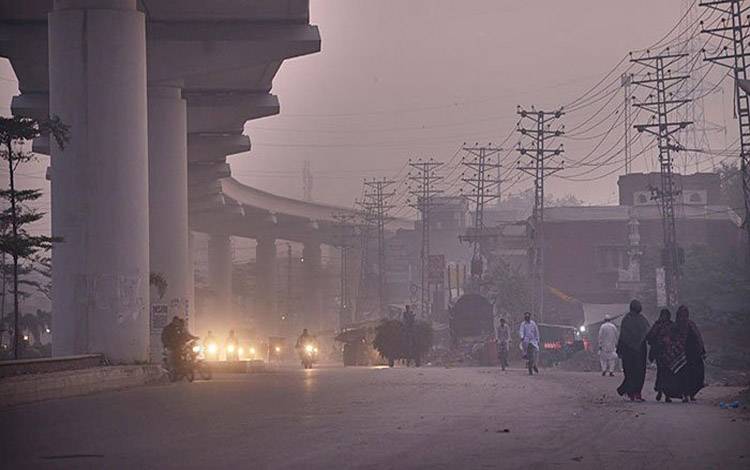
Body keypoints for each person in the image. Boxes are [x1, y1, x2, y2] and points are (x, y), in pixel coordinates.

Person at [616, 300, 650, 401]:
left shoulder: (626, 319)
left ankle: (631, 393)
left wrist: (620, 350)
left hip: (628, 350)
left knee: (630, 372)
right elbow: (647, 333)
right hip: (640, 350)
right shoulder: (643, 320)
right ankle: (637, 393)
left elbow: (623, 336)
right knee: (639, 372)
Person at [671, 305, 706, 402]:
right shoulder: (675, 326)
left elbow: (698, 337)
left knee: (697, 375)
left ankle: (692, 394)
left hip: (694, 355)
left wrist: (702, 350)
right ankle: (685, 395)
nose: (683, 317)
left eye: (685, 314)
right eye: (681, 314)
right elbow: (672, 341)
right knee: (683, 376)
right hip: (681, 356)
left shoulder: (691, 324)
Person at [646, 308, 677, 402]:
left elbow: (650, 337)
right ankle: (666, 394)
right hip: (667, 353)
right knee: (667, 373)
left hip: (661, 353)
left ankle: (661, 391)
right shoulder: (671, 325)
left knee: (662, 372)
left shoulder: (658, 324)